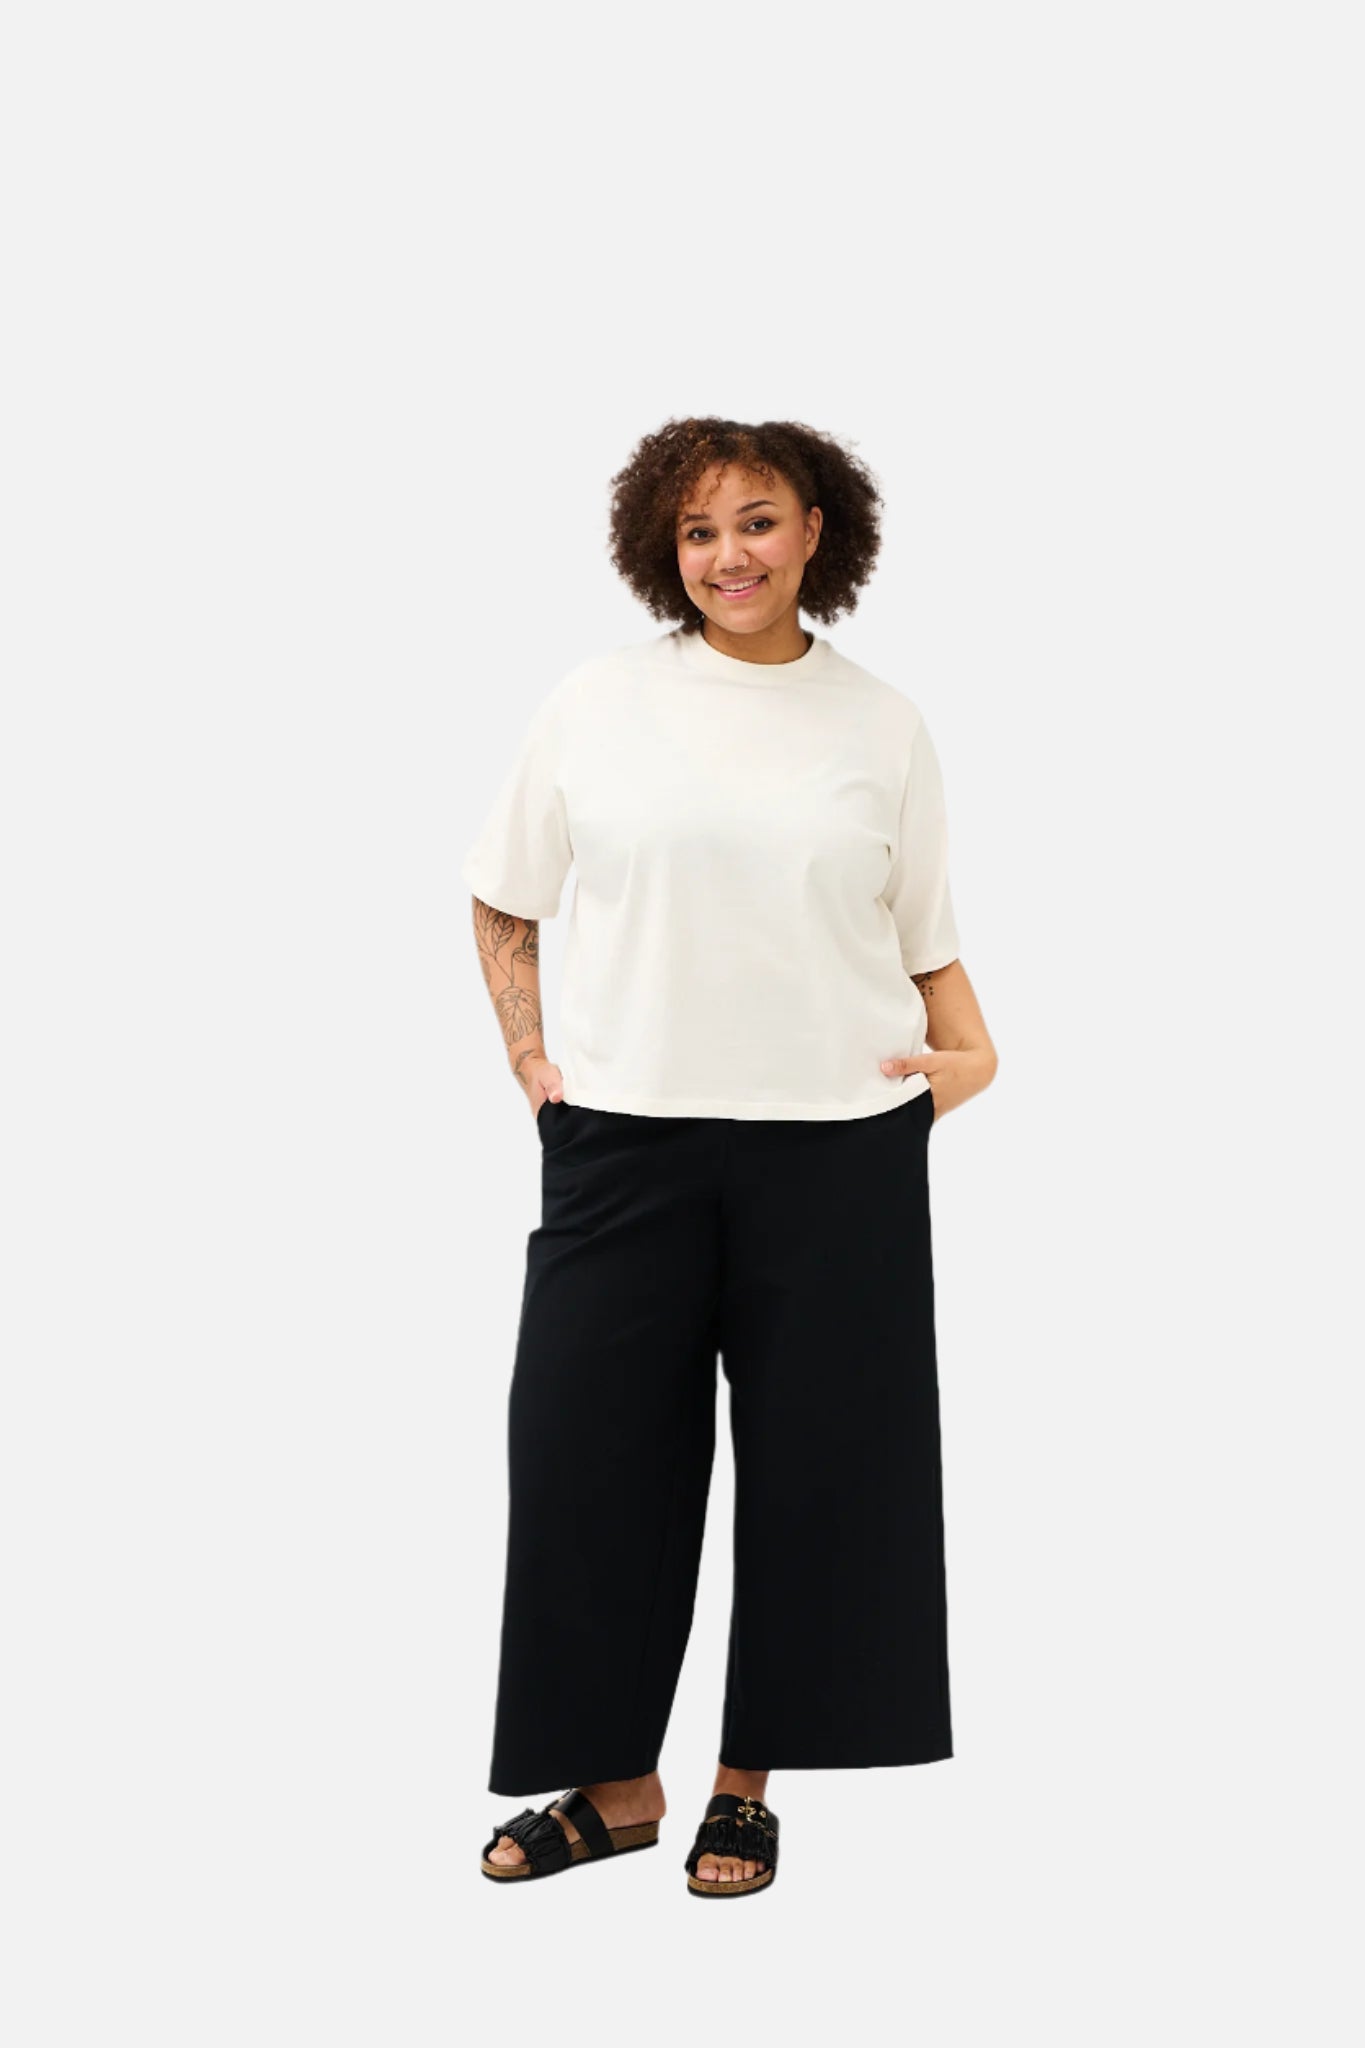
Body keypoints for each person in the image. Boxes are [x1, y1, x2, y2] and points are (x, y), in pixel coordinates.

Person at [461, 416, 998, 1898]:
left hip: (836, 1151)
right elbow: (503, 896)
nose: (729, 556)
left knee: (824, 1475)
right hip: (621, 1143)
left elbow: (923, 941)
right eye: (699, 531)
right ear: (665, 548)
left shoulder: (882, 725)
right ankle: (614, 1786)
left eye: (757, 522)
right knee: (584, 1465)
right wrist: (528, 1057)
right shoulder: (595, 703)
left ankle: (745, 1784)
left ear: (817, 532)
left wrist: (974, 1058)